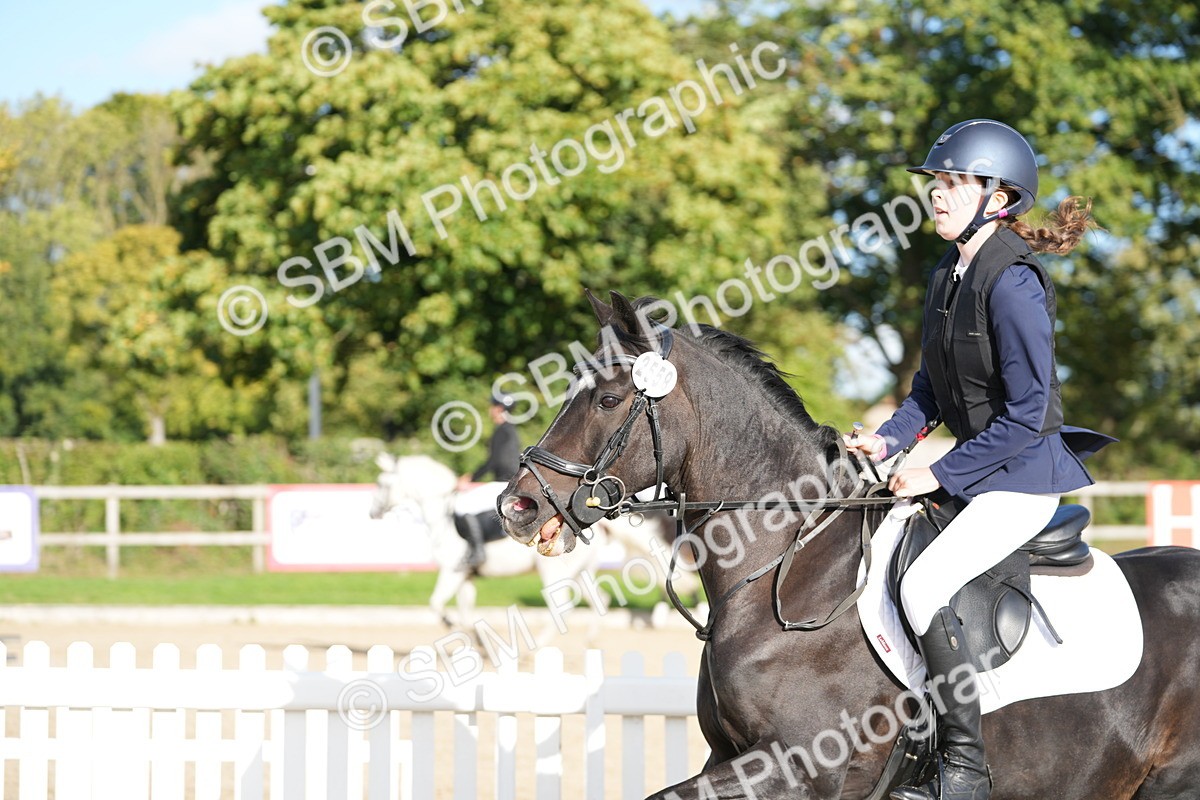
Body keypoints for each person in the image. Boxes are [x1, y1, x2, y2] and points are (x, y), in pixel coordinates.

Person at [844, 119, 1115, 800]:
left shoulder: (1014, 283)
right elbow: (930, 391)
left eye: (953, 182)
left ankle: (964, 768)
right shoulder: (948, 273)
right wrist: (889, 441)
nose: (937, 193)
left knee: (921, 587)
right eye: (936, 181)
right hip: (979, 474)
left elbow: (1028, 413)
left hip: (1023, 480)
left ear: (998, 198)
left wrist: (937, 473)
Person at [455, 393, 521, 568]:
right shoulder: (509, 429)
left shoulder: (502, 430)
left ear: (499, 409)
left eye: (493, 406)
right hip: (508, 483)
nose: (490, 410)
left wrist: (470, 478)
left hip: (503, 484)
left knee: (462, 504)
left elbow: (493, 462)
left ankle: (477, 552)